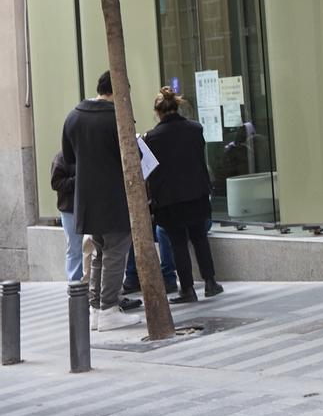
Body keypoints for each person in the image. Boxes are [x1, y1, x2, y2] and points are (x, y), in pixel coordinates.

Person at [62, 71, 143, 331]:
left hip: (86, 199)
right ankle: (108, 308)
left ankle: (96, 308)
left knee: (98, 253)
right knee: (116, 252)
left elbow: (68, 157)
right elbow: (135, 156)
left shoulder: (73, 116)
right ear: (118, 90)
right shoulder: (118, 118)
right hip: (114, 196)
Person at [143, 87, 223, 304]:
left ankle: (187, 289)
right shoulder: (195, 129)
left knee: (177, 242)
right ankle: (210, 282)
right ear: (177, 106)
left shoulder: (152, 138)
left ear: (157, 112)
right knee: (199, 237)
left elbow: (149, 170)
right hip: (196, 193)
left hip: (169, 198)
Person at [50, 152, 84, 282]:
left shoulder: (86, 154)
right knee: (75, 246)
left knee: (89, 246)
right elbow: (55, 183)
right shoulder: (61, 158)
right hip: (70, 209)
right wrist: (77, 180)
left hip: (87, 207)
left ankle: (86, 281)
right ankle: (74, 282)